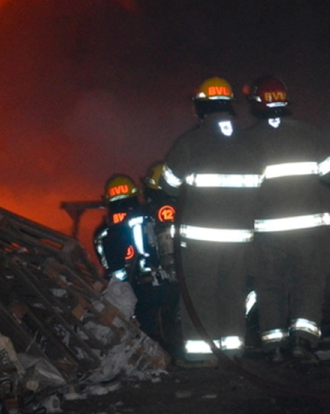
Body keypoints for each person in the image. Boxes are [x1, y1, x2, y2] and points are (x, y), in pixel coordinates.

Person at [160, 77, 262, 364]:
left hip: (200, 239)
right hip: (240, 238)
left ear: (200, 108)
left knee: (200, 294)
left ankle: (202, 356)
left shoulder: (190, 142)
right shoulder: (250, 143)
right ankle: (233, 351)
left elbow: (168, 184)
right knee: (233, 294)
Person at [243, 75, 330, 362]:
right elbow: (327, 169)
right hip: (310, 230)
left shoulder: (248, 141)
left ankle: (274, 347)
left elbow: (243, 185)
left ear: (256, 104)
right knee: (309, 283)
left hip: (267, 233)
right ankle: (302, 342)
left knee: (270, 286)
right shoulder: (309, 133)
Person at [93, 173, 168, 347]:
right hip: (155, 286)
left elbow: (106, 263)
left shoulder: (104, 232)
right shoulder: (148, 218)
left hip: (123, 293)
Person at [138, 161, 182, 358]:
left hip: (169, 281)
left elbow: (168, 250)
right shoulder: (163, 208)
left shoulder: (165, 209)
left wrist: (167, 275)